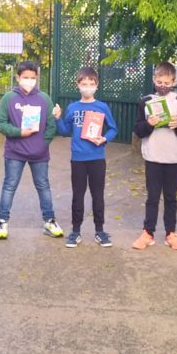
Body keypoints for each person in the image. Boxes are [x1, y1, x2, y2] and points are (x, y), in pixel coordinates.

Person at [0, 61, 63, 240]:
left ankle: (49, 220)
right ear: (18, 78)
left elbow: (51, 125)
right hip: (15, 152)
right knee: (10, 186)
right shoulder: (9, 98)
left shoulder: (44, 99)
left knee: (43, 186)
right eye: (25, 77)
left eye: (33, 78)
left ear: (37, 78)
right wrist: (19, 132)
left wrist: (43, 144)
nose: (29, 81)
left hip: (39, 153)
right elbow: (0, 123)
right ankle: (2, 221)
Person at [52, 67, 118, 247]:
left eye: (91, 84)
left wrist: (104, 139)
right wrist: (58, 118)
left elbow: (113, 129)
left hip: (97, 157)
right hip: (78, 159)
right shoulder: (73, 108)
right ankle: (75, 231)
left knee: (98, 195)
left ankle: (100, 231)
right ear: (78, 85)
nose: (87, 87)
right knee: (78, 195)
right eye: (84, 84)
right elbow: (64, 131)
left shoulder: (102, 107)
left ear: (97, 85)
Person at [131, 61, 177, 251]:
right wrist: (149, 124)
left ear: (174, 82)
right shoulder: (146, 102)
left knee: (171, 197)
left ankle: (170, 233)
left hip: (173, 158)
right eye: (159, 82)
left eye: (167, 83)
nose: (163, 86)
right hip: (153, 157)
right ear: (154, 80)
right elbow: (138, 130)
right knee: (152, 197)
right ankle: (148, 232)